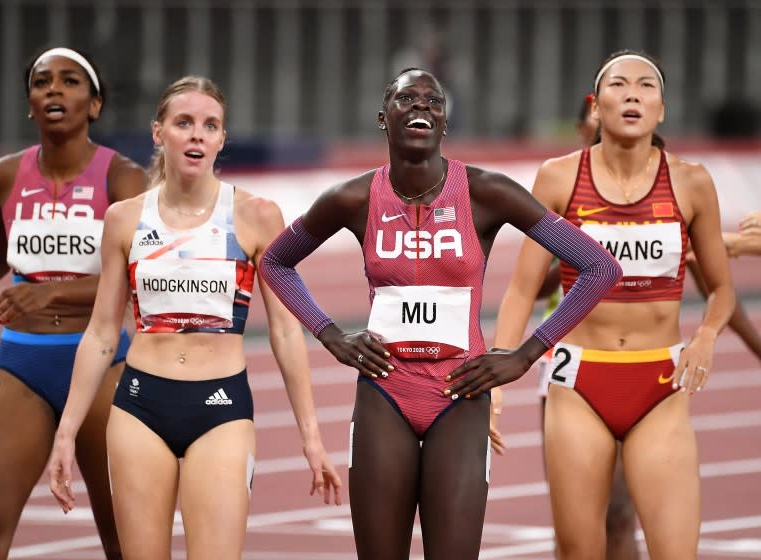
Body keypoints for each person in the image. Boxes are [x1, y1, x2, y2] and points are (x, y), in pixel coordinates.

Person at [259, 67, 621, 559]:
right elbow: (275, 262)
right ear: (382, 116)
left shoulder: (486, 192)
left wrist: (525, 355)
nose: (422, 108)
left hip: (460, 391)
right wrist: (330, 335)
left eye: (434, 102)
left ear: (445, 124)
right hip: (385, 389)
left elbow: (599, 267)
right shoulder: (354, 198)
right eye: (407, 98)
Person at [46, 75, 341, 560]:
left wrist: (311, 439)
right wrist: (66, 434)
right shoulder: (124, 219)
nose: (198, 134)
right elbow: (102, 332)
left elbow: (286, 333)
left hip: (220, 409)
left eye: (210, 125)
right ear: (159, 132)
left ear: (222, 139)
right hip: (140, 405)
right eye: (184, 123)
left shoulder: (256, 216)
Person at [492, 50, 735, 559]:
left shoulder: (692, 182)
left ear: (662, 109)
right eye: (619, 84)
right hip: (579, 382)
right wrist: (496, 384)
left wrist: (707, 335)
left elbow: (722, 288)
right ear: (596, 107)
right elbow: (520, 289)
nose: (632, 94)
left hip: (661, 384)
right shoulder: (559, 178)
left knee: (675, 551)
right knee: (580, 550)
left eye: (646, 86)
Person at [0, 47, 147, 559]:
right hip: (22, 362)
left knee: (124, 538)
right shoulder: (4, 177)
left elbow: (139, 279)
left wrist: (49, 291)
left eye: (70, 81)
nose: (53, 89)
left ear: (93, 105)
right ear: (30, 104)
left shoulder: (125, 179)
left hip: (100, 363)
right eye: (42, 81)